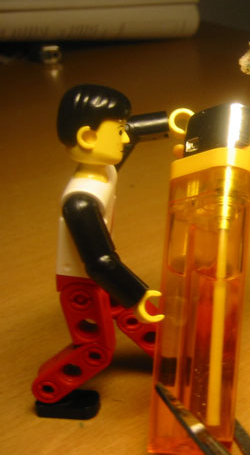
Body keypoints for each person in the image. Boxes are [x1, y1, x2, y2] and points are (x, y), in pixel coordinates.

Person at [32, 85, 163, 418]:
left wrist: (170, 124)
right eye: (116, 130)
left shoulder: (104, 168)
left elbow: (133, 133)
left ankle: (170, 356)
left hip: (102, 274)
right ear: (88, 138)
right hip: (83, 281)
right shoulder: (80, 200)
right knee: (96, 346)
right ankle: (51, 392)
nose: (124, 137)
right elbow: (100, 262)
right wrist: (137, 294)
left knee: (134, 319)